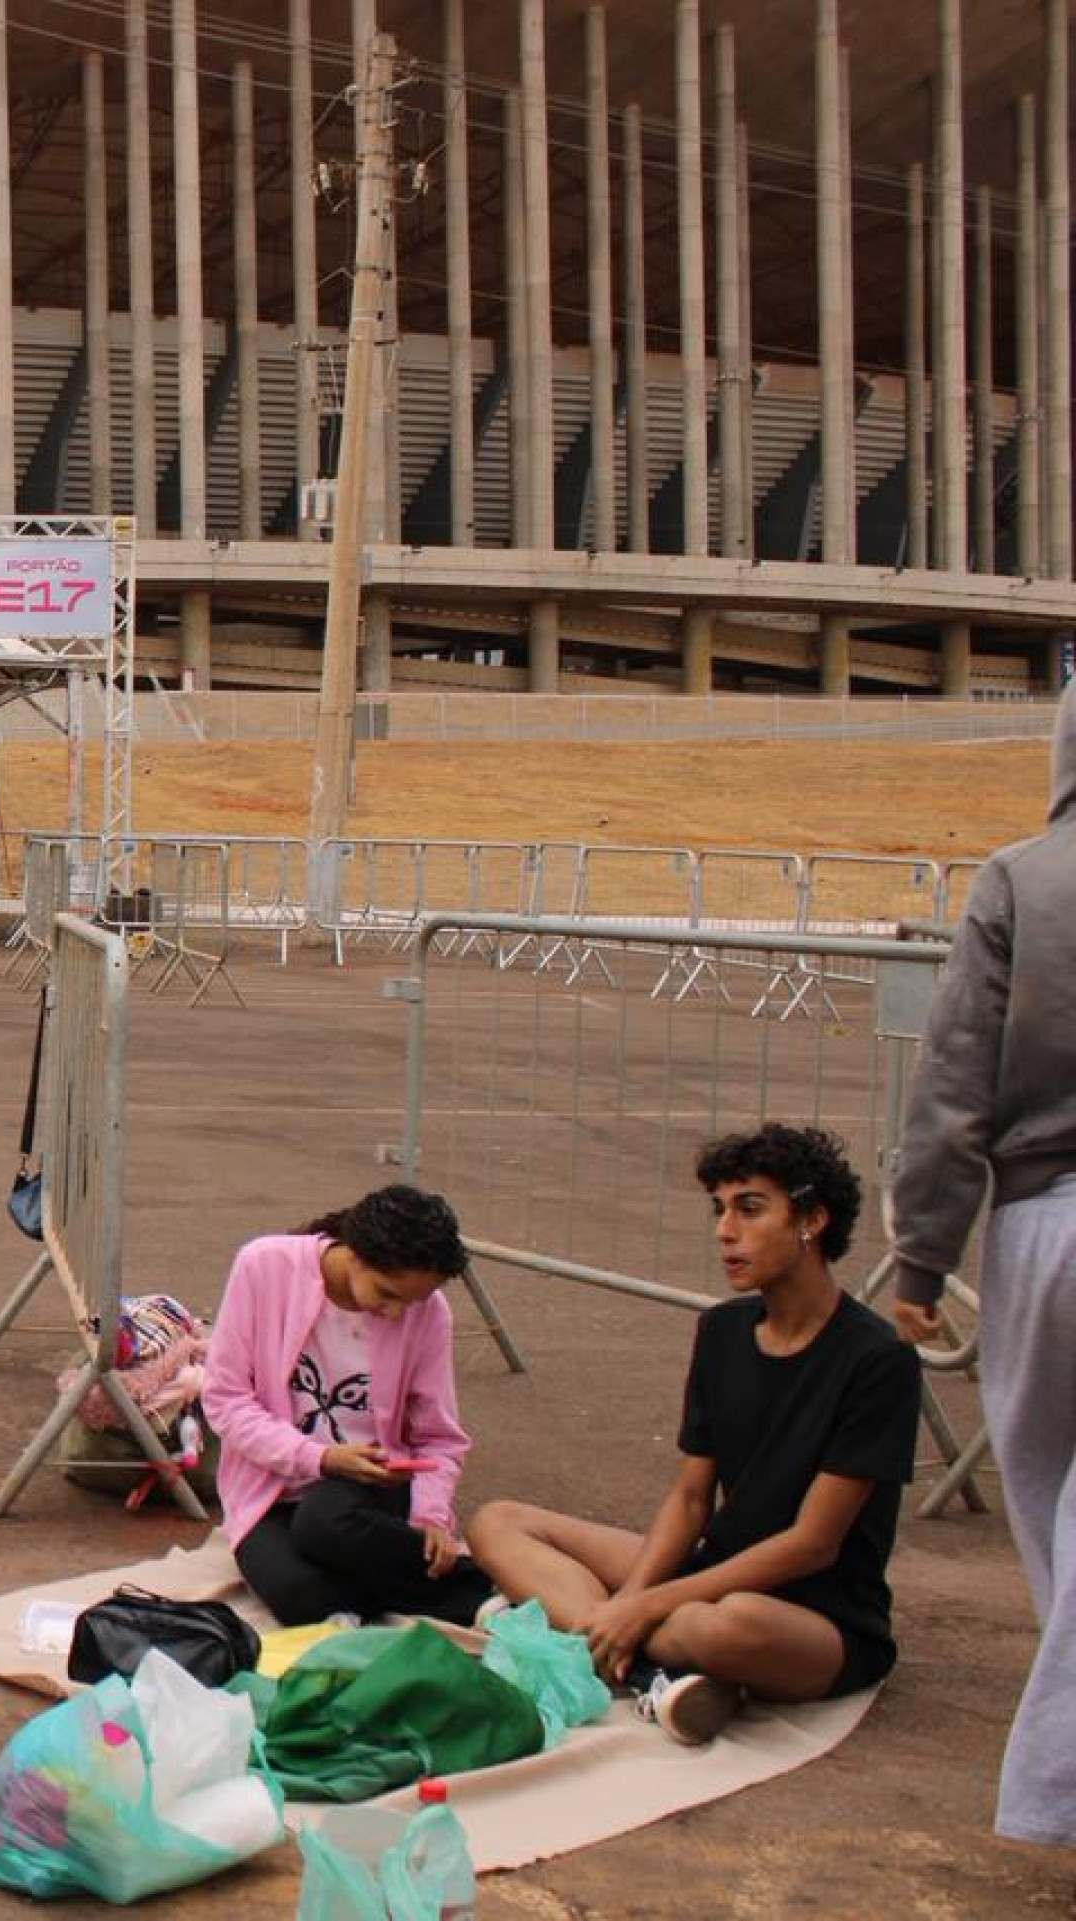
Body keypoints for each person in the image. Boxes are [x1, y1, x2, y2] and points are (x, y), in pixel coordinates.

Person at [468, 1126, 919, 1746]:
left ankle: (608, 1642)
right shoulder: (722, 1330)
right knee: (498, 1522)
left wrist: (647, 1606)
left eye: (750, 1209)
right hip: (712, 1568)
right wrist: (630, 1600)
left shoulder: (878, 1359)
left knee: (725, 1626)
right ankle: (645, 1662)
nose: (725, 1231)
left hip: (816, 1613)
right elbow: (690, 1499)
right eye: (720, 1210)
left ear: (812, 1220)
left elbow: (813, 1545)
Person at [888, 677, 1076, 1849]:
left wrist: (922, 1254)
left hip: (1051, 1215)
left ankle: (1056, 1787)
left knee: (1047, 1492)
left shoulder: (1023, 879)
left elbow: (955, 1085)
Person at [201, 1184, 493, 1630]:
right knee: (298, 1595)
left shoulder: (429, 1312)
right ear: (354, 1253)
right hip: (269, 1489)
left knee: (323, 1523)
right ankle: (446, 1589)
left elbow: (439, 1438)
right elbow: (226, 1400)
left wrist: (430, 1516)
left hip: (368, 1489)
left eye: (411, 1301)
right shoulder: (264, 1265)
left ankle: (480, 1591)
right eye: (386, 1293)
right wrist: (320, 1458)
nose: (396, 1313)